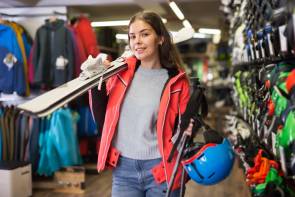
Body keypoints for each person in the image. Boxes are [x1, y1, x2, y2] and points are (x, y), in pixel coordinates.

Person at [89, 11, 193, 197]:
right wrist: (97, 80)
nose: (137, 41)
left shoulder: (177, 82)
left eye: (145, 34)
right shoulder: (119, 73)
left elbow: (181, 129)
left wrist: (188, 128)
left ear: (160, 38)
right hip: (123, 170)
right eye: (132, 36)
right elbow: (102, 120)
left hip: (160, 169)